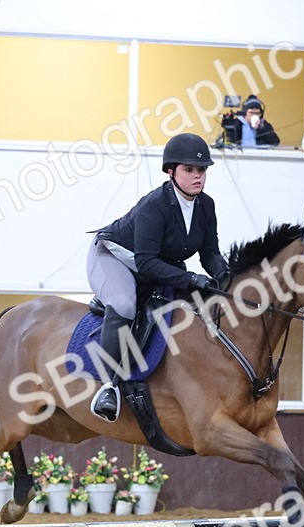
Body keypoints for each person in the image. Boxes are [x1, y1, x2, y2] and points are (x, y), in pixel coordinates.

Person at [85, 132, 229, 422]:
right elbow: (147, 263)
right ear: (171, 171)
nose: (197, 176)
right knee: (125, 305)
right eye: (189, 170)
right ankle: (108, 388)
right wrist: (190, 279)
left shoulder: (206, 205)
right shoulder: (155, 205)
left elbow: (210, 252)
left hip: (153, 263)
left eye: (201, 170)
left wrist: (225, 276)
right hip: (114, 257)